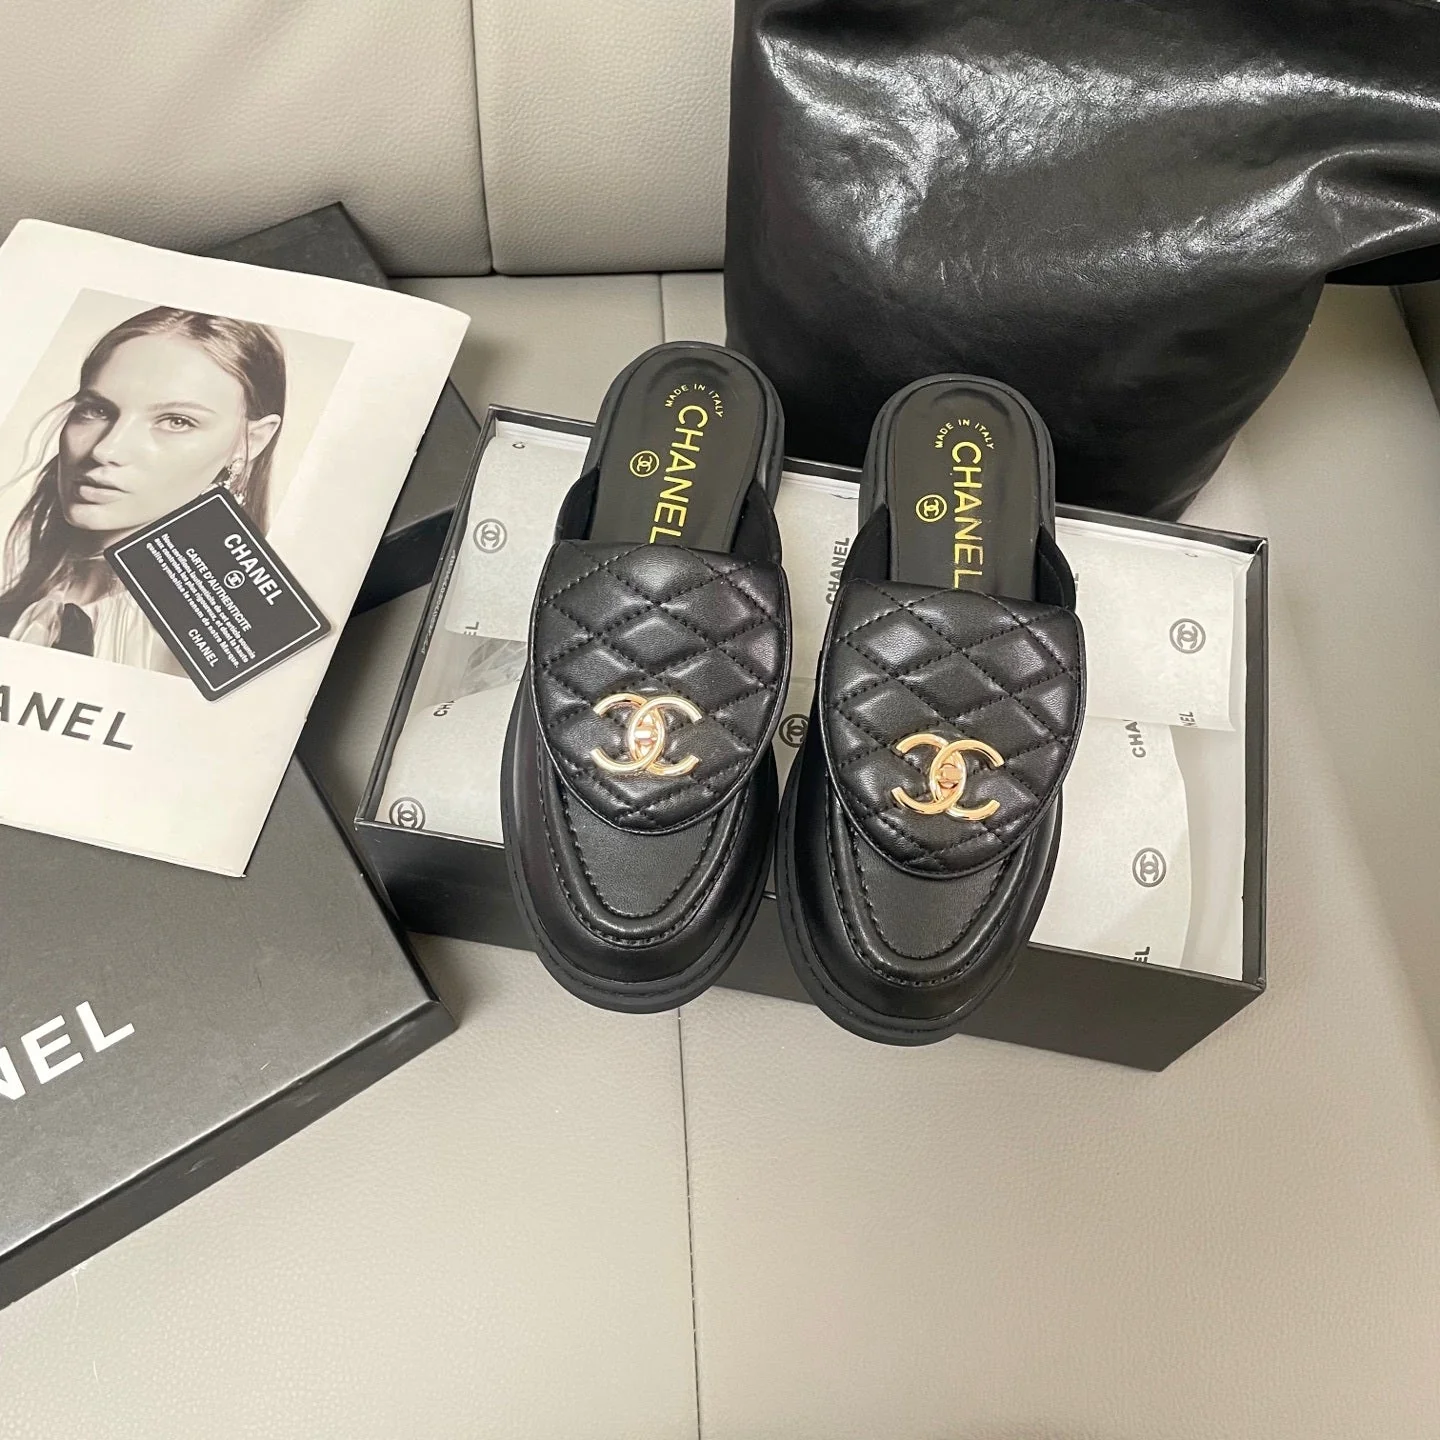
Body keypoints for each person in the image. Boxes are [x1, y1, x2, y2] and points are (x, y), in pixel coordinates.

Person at [0, 306, 286, 670]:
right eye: (96, 410)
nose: (106, 450)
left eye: (177, 421)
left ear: (252, 441)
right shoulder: (24, 612)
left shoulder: (230, 647)